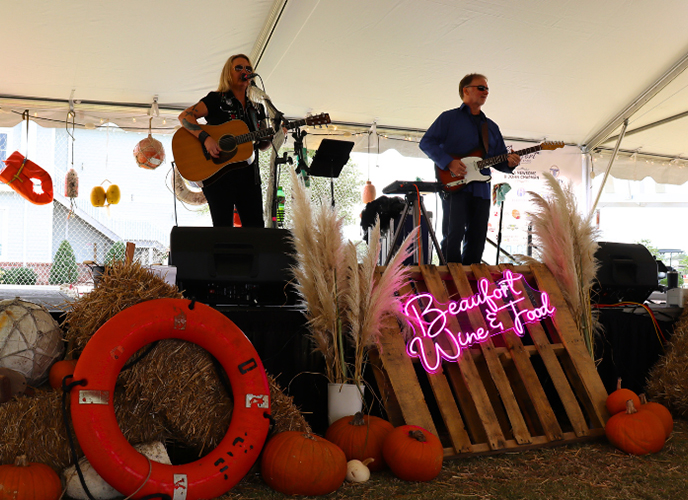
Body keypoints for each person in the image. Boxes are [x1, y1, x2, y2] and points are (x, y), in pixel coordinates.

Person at [419, 73, 520, 264]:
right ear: (466, 90)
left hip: (481, 189)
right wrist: (449, 162)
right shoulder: (448, 118)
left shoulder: (491, 127)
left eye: (487, 89)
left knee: (477, 238)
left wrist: (509, 163)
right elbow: (426, 143)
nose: (486, 92)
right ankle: (449, 284)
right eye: (481, 88)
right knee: (453, 235)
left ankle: (471, 286)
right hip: (455, 186)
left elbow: (497, 159)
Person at [178, 54, 275, 227]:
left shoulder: (256, 108)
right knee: (223, 231)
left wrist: (272, 135)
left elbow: (262, 145)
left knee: (255, 231)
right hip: (218, 176)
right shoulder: (216, 100)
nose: (244, 71)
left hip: (249, 176)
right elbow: (185, 116)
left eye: (248, 69)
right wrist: (206, 139)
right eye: (238, 68)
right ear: (227, 73)